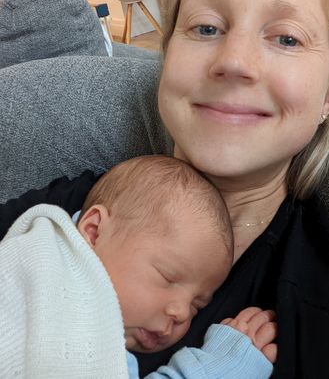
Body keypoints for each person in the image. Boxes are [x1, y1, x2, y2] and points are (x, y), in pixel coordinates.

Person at [1, 0, 329, 377]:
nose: (235, 61)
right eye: (207, 28)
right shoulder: (67, 213)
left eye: (287, 38)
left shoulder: (323, 332)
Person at [0, 155, 277, 378]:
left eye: (197, 307)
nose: (181, 313)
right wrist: (216, 368)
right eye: (167, 277)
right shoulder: (40, 267)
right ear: (94, 231)